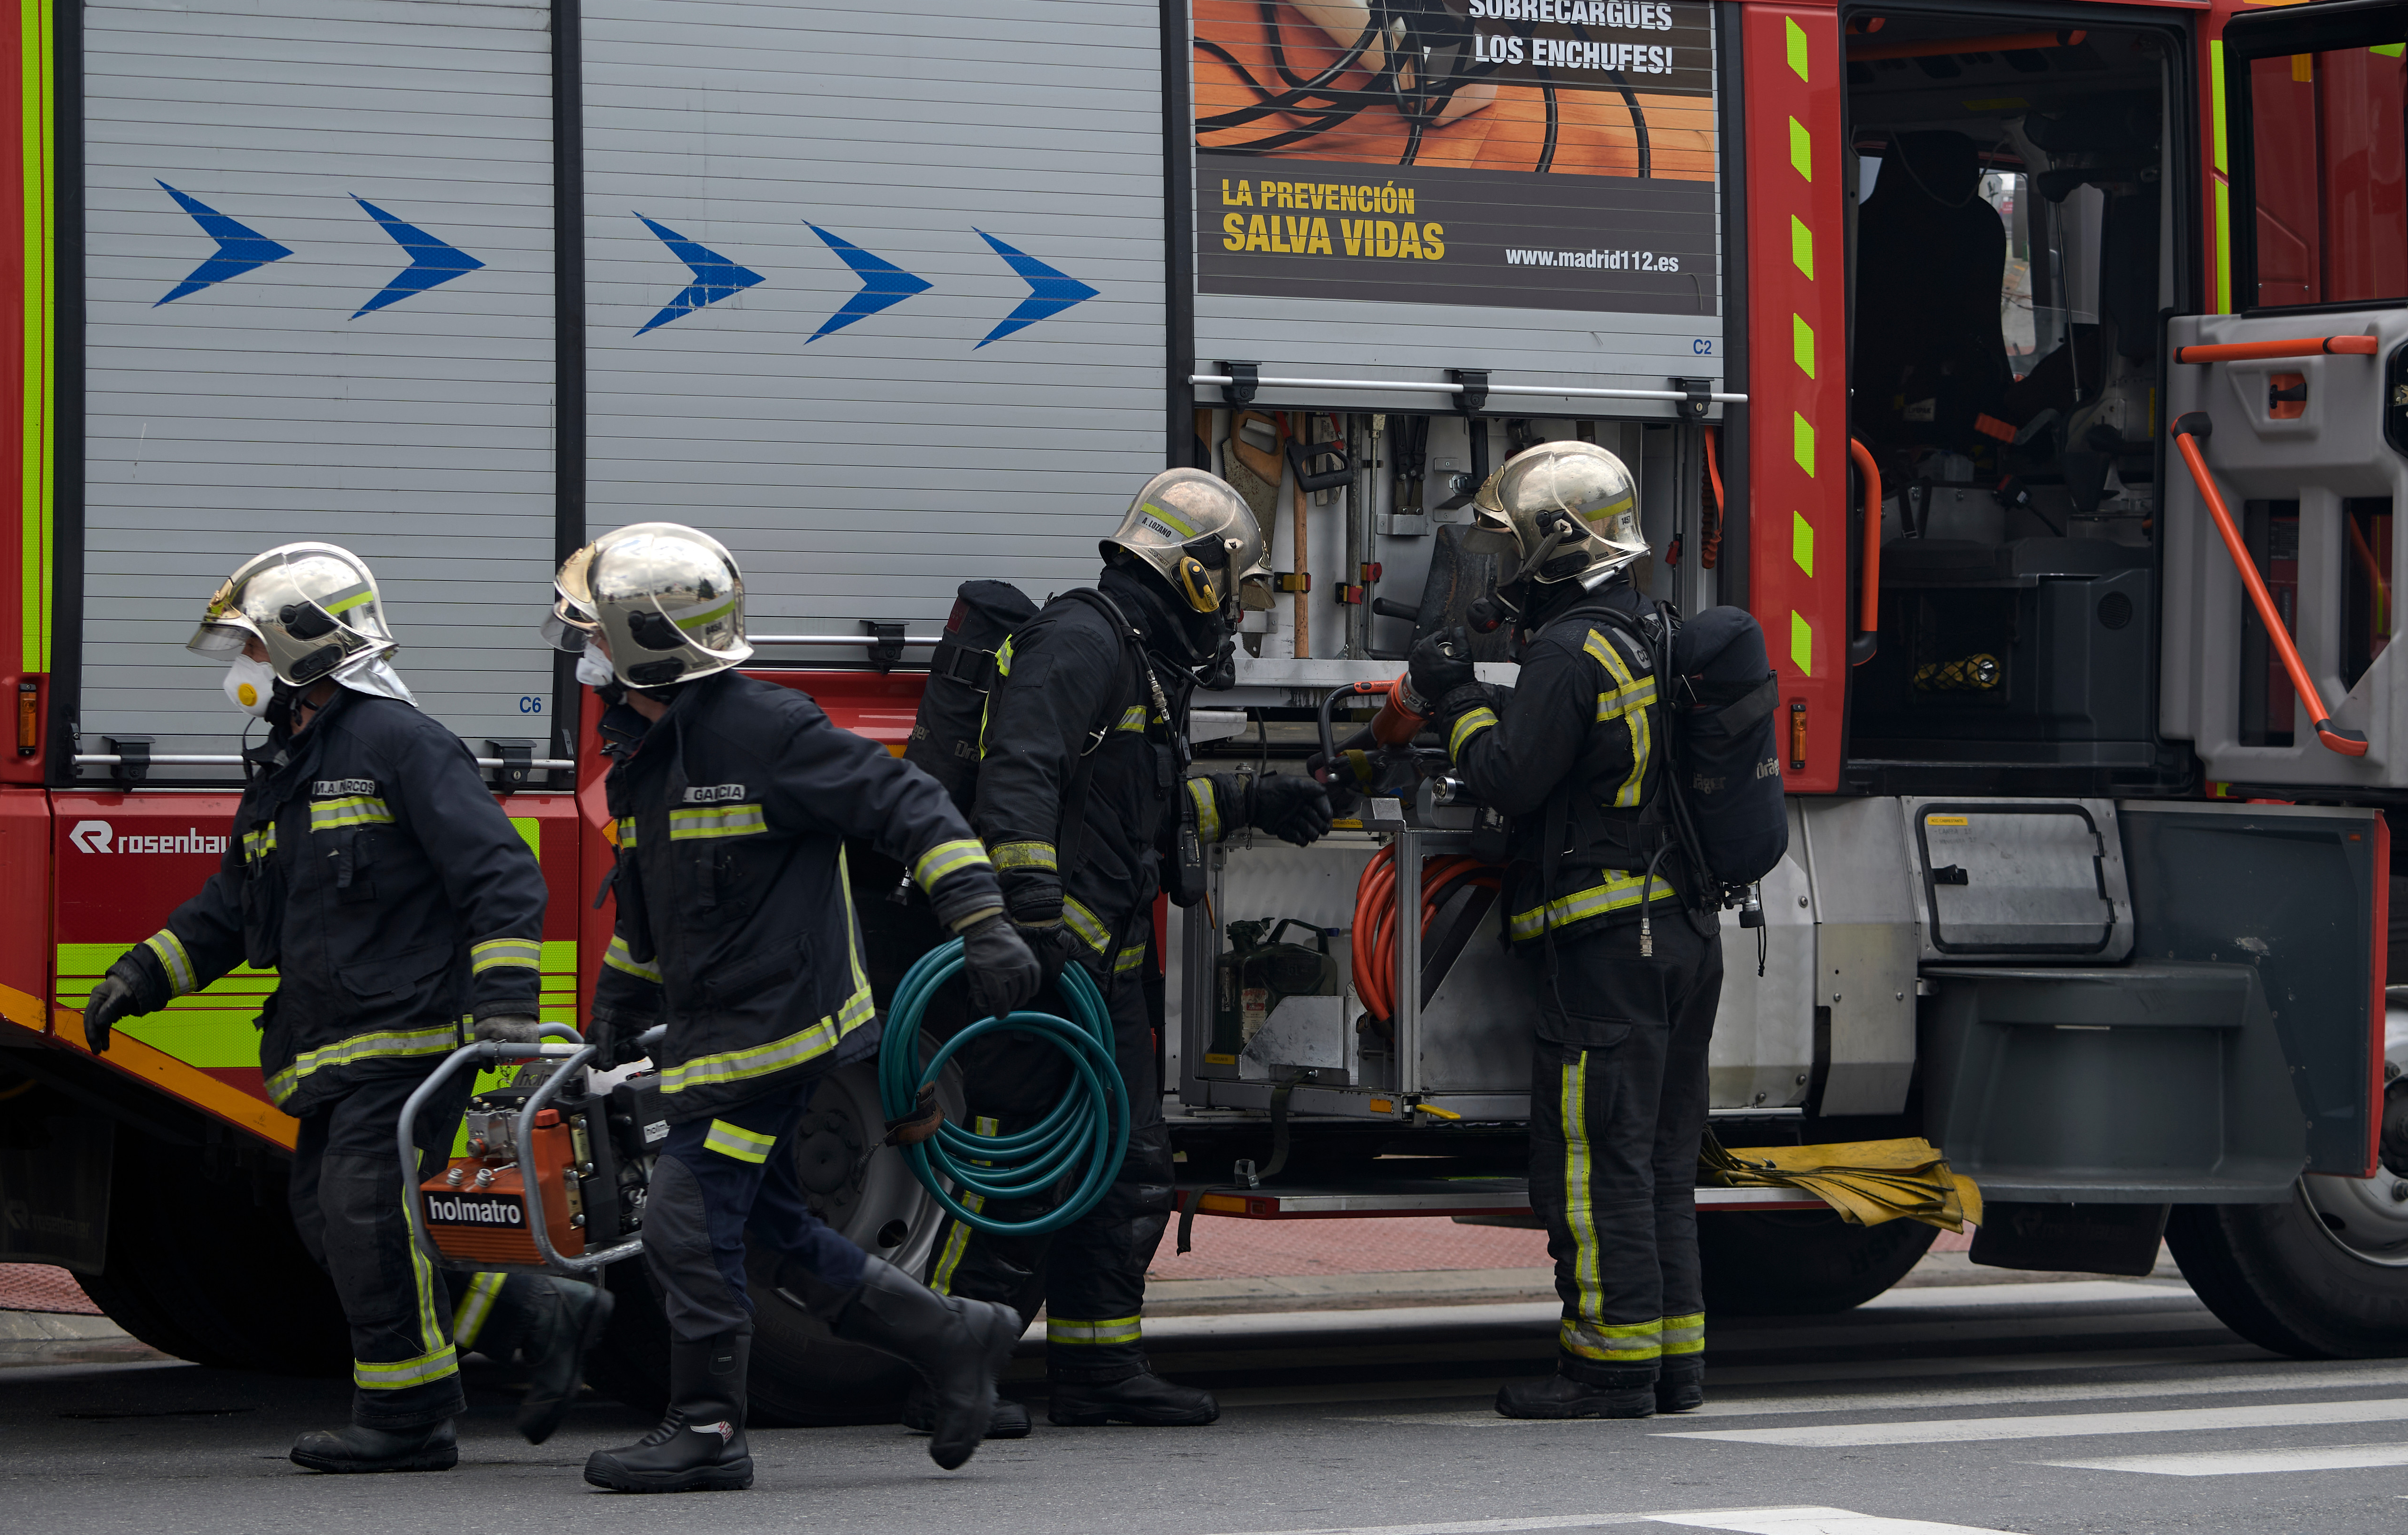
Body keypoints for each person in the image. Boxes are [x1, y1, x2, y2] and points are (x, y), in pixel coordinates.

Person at [79, 543, 612, 1472]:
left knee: (365, 1211)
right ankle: (538, 1312)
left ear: (303, 644)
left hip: (409, 1035)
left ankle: (407, 1418)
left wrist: (506, 1014)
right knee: (334, 1223)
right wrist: (140, 978)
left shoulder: (402, 744)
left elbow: (502, 876)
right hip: (329, 1045)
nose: (244, 669)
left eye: (254, 646)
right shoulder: (287, 764)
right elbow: (231, 908)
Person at [557, 523, 1037, 1494]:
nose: (589, 651)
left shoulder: (766, 729)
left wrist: (980, 917)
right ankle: (955, 1338)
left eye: (601, 631)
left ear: (651, 640)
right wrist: (621, 987)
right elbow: (656, 901)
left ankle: (706, 1426)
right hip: (712, 1032)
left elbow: (911, 807)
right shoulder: (651, 751)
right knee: (769, 1228)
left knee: (683, 1224)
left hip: (777, 1034)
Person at [936, 468, 1334, 1431]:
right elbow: (1018, 775)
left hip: (1095, 967)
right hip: (1051, 969)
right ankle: (947, 1372)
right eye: (1230, 592)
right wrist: (1031, 914)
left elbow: (1130, 806)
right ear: (1195, 577)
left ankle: (1097, 1368)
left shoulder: (1134, 654)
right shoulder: (1082, 641)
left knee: (1117, 1171)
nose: (1231, 619)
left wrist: (1250, 801)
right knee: (1024, 1175)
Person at [1408, 443, 1722, 1421]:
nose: (1497, 560)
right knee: (1662, 1163)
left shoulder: (1566, 649)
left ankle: (1606, 1368)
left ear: (1553, 542)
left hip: (1602, 951)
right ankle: (1672, 1362)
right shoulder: (1649, 631)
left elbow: (1508, 775)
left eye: (1507, 539)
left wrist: (1453, 696)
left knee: (1592, 1161)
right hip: (1674, 937)